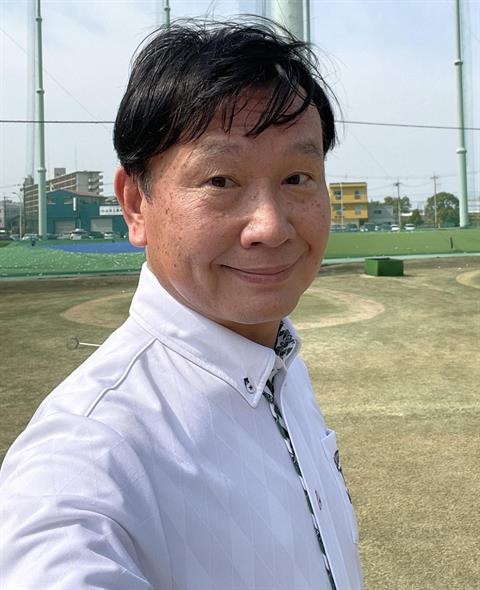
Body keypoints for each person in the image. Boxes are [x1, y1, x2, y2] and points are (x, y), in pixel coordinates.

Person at [0, 19, 363, 590]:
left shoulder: (279, 361)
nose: (270, 226)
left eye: (297, 177)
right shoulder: (86, 454)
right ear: (135, 204)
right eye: (220, 181)